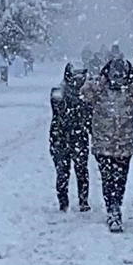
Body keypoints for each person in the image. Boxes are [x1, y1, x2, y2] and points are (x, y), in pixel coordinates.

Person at [80, 54, 133, 232]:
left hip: (123, 145)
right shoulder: (100, 89)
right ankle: (113, 210)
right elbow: (84, 94)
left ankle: (116, 206)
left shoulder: (130, 91)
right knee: (108, 179)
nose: (117, 78)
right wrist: (97, 82)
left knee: (120, 179)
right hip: (103, 145)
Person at [49, 63, 92, 212]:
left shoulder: (87, 95)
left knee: (81, 170)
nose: (78, 80)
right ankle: (63, 202)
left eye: (81, 77)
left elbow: (89, 117)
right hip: (60, 136)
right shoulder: (58, 93)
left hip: (78, 136)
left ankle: (83, 201)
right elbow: (58, 110)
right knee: (62, 171)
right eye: (75, 76)